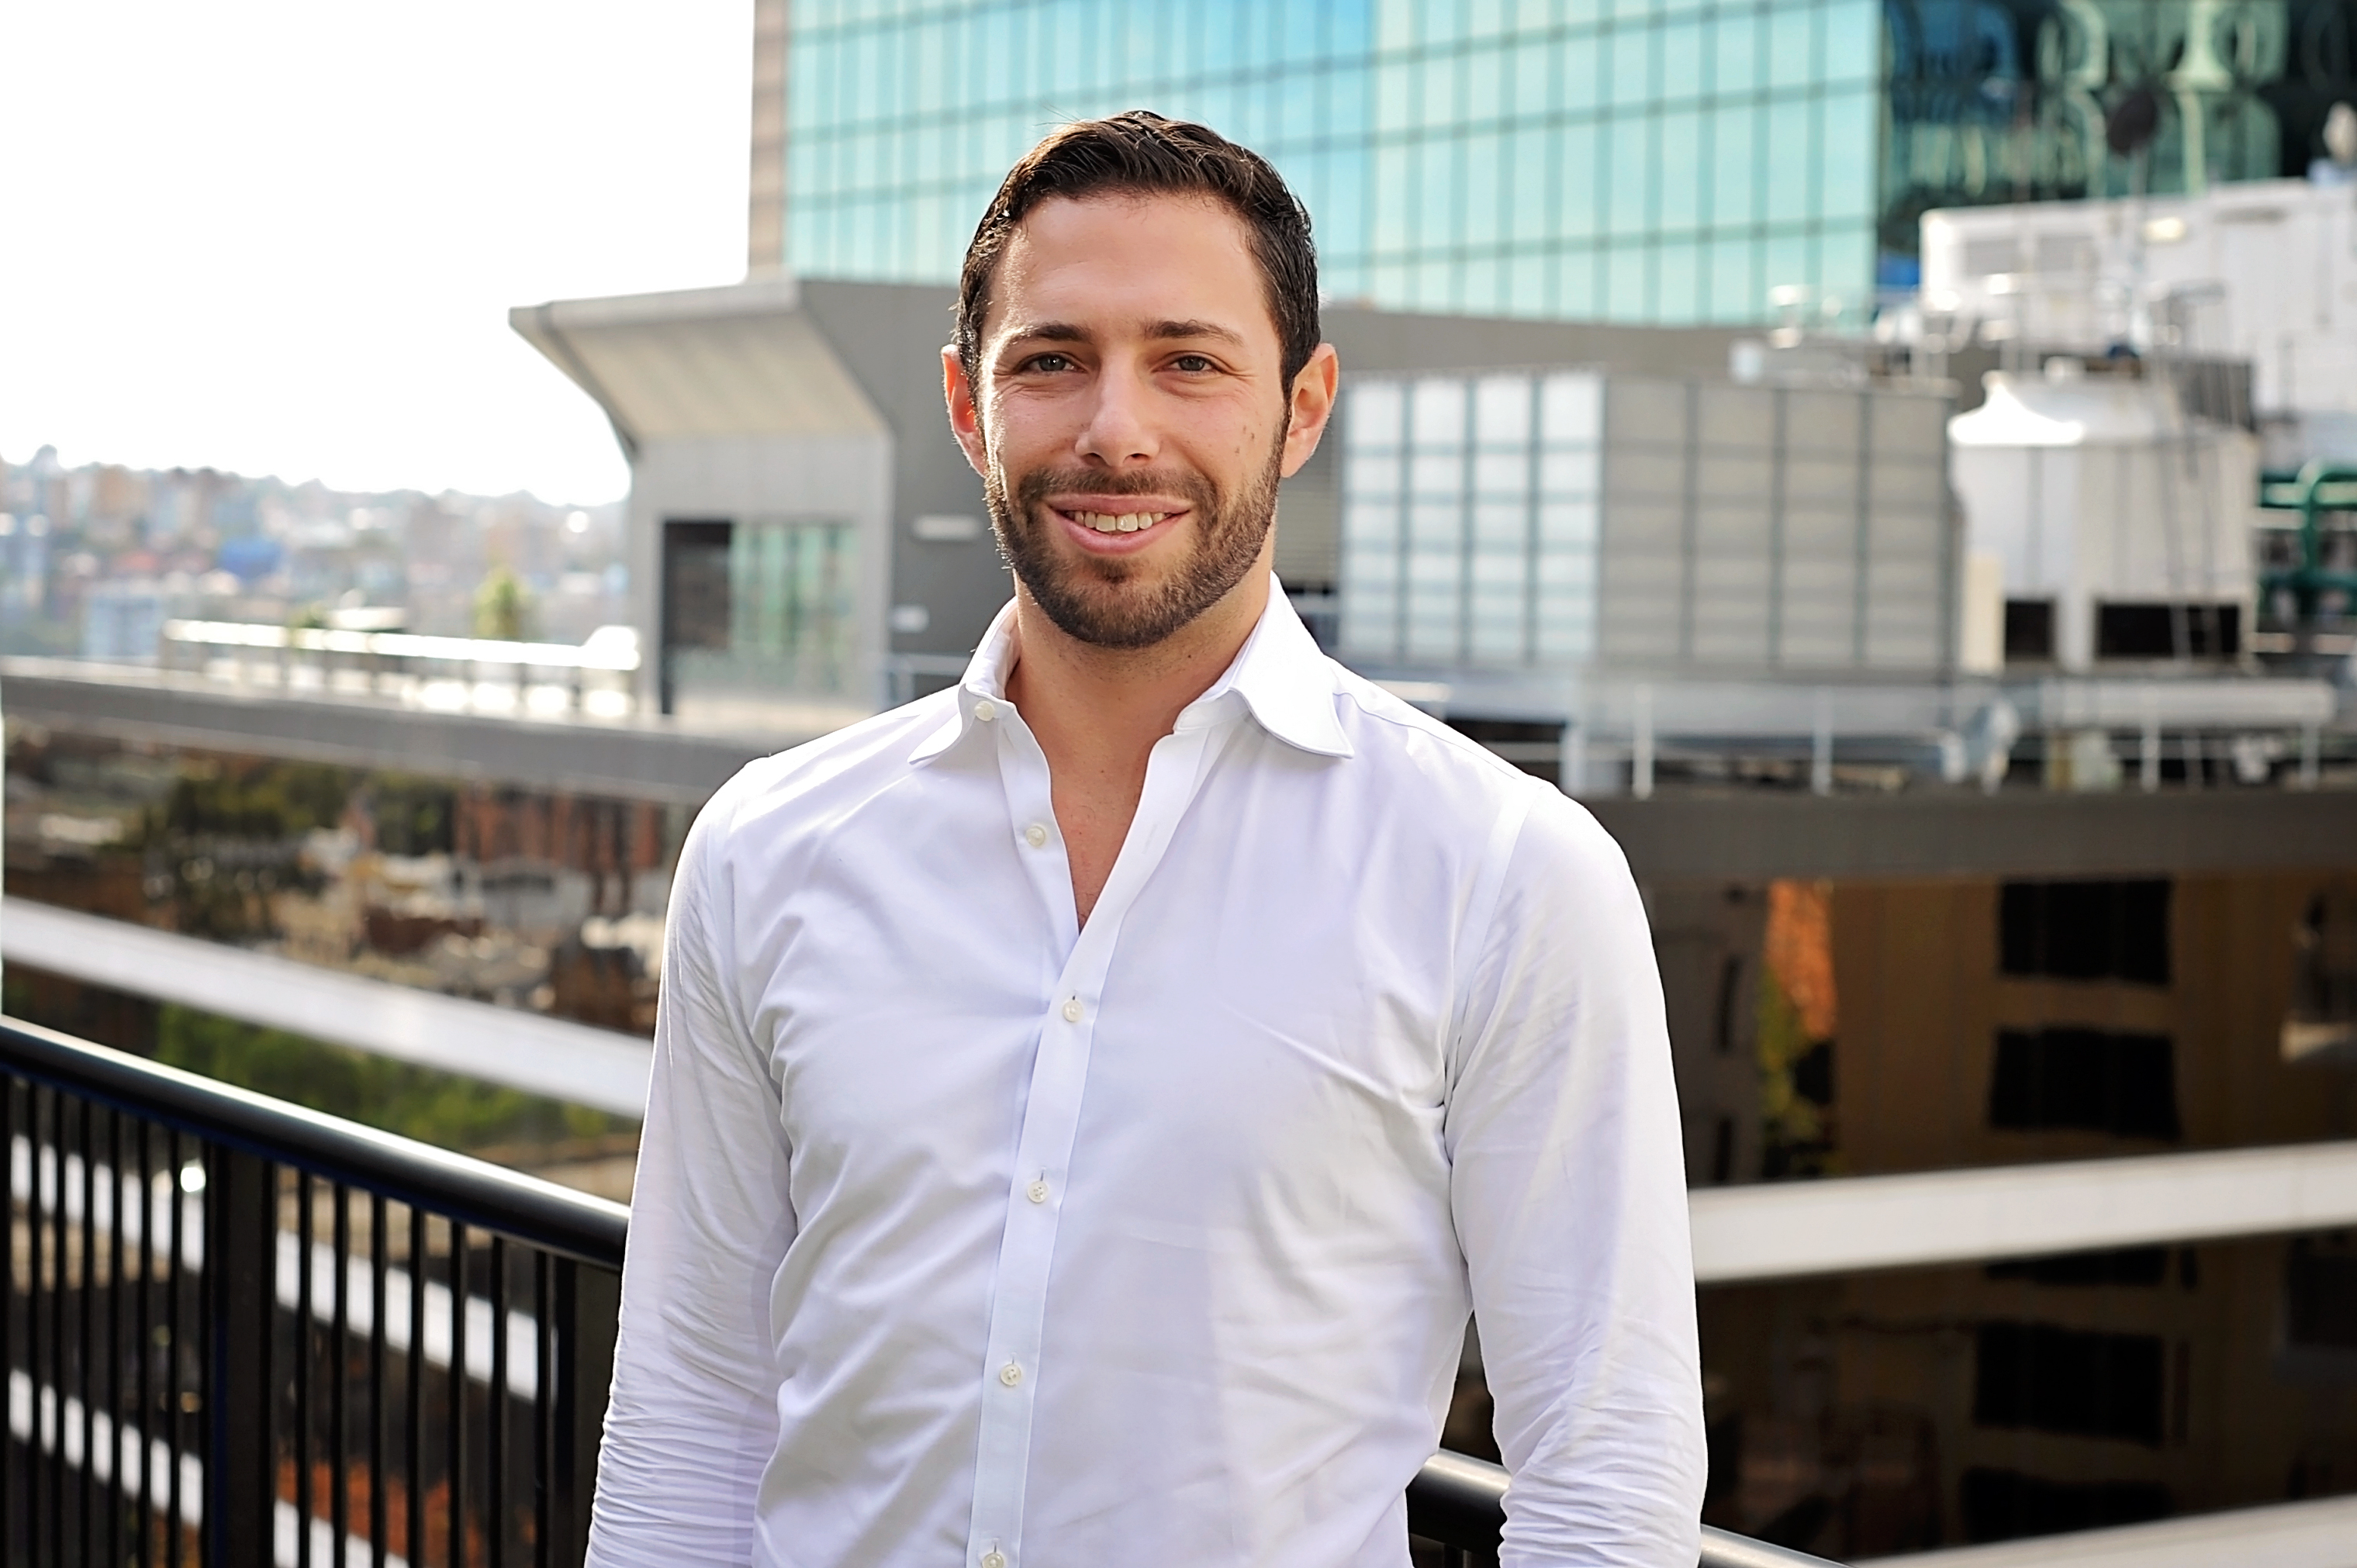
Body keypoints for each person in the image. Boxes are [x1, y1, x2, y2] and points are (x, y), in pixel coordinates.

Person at [586, 111, 1704, 1568]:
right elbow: (691, 1401)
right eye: (1052, 360)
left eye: (1190, 360)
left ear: (1302, 407)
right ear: (968, 406)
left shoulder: (1505, 874)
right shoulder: (766, 849)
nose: (1118, 428)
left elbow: (1605, 1469)